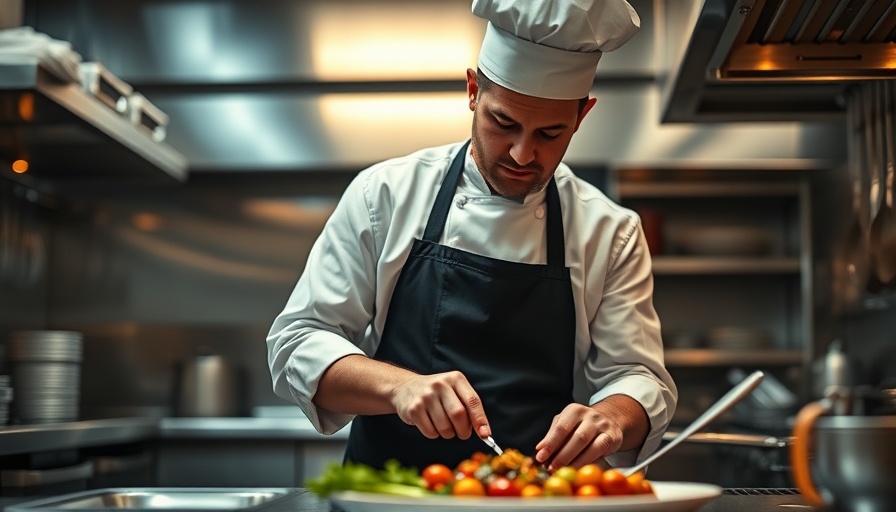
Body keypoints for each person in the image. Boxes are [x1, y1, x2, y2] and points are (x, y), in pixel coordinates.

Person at [267, 0, 677, 474]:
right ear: (473, 91)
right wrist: (400, 387)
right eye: (504, 123)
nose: (522, 154)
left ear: (582, 115)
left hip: (533, 496)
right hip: (392, 495)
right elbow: (298, 342)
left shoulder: (611, 231)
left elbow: (638, 376)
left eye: (550, 134)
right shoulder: (384, 195)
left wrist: (612, 417)